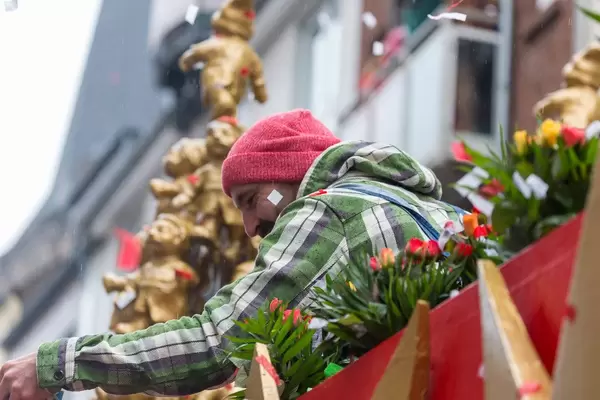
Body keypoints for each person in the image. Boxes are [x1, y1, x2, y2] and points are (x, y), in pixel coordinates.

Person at [0, 109, 464, 399]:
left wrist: (58, 364)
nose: (249, 228)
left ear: (293, 178)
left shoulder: (324, 212)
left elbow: (217, 340)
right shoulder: (439, 211)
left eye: (250, 199)